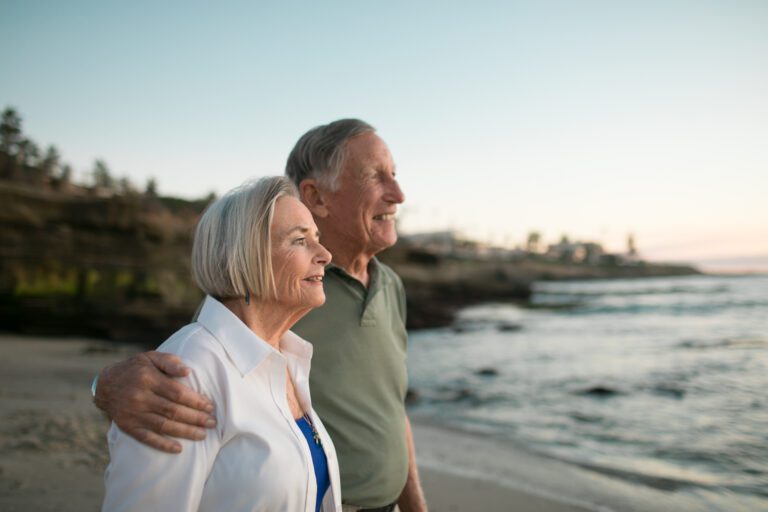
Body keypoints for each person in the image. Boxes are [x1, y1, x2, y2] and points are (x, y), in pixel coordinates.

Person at [94, 120, 428, 511]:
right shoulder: (273, 300)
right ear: (316, 196)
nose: (399, 194)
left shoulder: (385, 290)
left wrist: (414, 505)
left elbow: (392, 406)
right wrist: (104, 385)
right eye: (375, 176)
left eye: (395, 175)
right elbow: (199, 358)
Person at [102, 176, 342, 511]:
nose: (325, 255)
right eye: (300, 241)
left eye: (316, 238)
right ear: (244, 257)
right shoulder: (186, 372)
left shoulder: (287, 359)